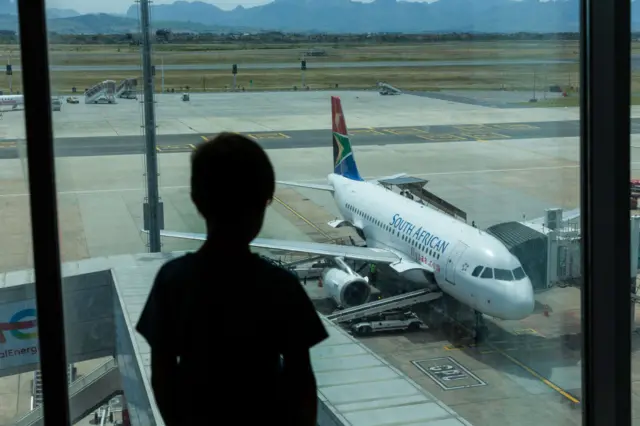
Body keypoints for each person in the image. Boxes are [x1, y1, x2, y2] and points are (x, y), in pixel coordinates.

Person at [136, 132, 328, 426]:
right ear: (264, 204)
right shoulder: (281, 286)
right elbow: (301, 378)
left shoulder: (173, 281)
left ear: (197, 201)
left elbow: (162, 375)